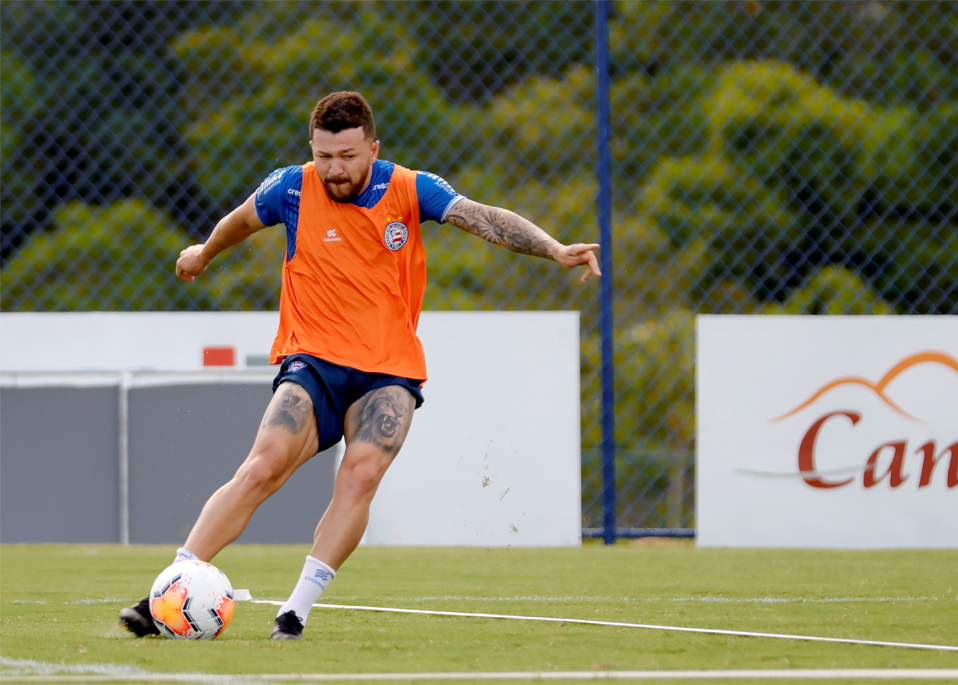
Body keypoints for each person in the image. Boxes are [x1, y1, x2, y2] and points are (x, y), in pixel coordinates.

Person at [119, 91, 600, 640]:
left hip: (388, 371)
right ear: (312, 147)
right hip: (314, 361)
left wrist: (554, 248)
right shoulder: (292, 187)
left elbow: (483, 218)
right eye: (325, 155)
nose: (335, 169)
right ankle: (169, 589)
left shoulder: (409, 188)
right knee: (262, 467)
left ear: (373, 147)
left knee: (361, 476)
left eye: (348, 156)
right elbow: (241, 221)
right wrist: (204, 251)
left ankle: (295, 612)